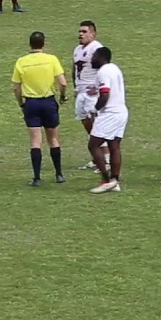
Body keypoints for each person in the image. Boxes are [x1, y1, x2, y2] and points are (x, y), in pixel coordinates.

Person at [12, 31, 68, 186]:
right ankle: (59, 174)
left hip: (31, 103)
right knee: (53, 139)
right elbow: (63, 83)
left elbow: (16, 88)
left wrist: (21, 103)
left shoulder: (21, 62)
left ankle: (37, 177)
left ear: (30, 44)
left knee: (35, 141)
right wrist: (62, 96)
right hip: (48, 102)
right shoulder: (51, 59)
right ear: (43, 44)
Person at [87, 46, 127, 194]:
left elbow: (105, 95)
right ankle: (115, 181)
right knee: (114, 146)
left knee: (93, 145)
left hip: (109, 113)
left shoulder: (103, 71)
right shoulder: (114, 68)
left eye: (94, 56)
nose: (91, 59)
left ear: (101, 56)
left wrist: (94, 109)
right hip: (121, 111)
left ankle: (105, 180)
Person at [72, 21, 107, 173]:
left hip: (92, 93)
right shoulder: (77, 49)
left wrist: (98, 87)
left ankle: (105, 159)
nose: (81, 34)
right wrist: (75, 86)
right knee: (87, 123)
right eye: (80, 31)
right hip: (81, 91)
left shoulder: (97, 48)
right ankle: (96, 157)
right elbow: (73, 67)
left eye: (84, 31)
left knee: (97, 125)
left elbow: (104, 68)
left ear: (93, 34)